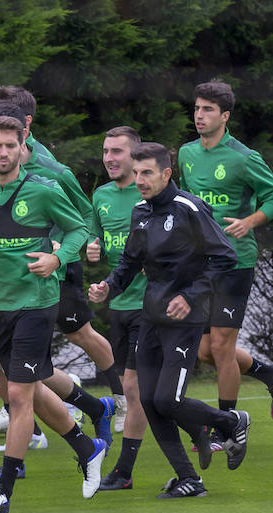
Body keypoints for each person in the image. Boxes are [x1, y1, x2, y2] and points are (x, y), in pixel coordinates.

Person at [0, 115, 108, 513]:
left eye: (10, 146)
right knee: (30, 389)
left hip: (37, 303)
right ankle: (89, 448)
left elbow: (77, 231)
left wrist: (57, 258)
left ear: (22, 147)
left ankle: (2, 492)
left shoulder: (44, 189)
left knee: (18, 394)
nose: (2, 152)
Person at [88, 142, 252, 499]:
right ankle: (189, 479)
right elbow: (129, 263)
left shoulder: (189, 209)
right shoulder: (140, 212)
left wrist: (190, 296)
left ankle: (231, 421)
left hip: (186, 320)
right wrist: (108, 287)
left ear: (166, 173)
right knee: (149, 401)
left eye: (147, 173)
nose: (140, 180)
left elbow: (225, 257)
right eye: (136, 173)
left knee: (169, 400)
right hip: (151, 318)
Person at [0, 97, 122, 440]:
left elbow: (82, 217)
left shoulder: (52, 170)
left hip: (50, 273)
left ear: (23, 128)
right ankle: (28, 423)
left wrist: (57, 250)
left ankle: (118, 397)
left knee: (77, 336)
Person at [176, 81, 273, 433]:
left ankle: (227, 427)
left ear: (225, 116)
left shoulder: (243, 157)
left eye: (208, 109)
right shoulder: (186, 154)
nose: (199, 115)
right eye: (197, 108)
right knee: (203, 349)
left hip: (235, 261)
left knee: (223, 346)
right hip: (199, 263)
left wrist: (249, 222)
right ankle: (268, 372)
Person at [88, 126, 150, 490]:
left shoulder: (152, 198)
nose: (110, 158)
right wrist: (93, 249)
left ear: (136, 157)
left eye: (118, 152)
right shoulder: (101, 195)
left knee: (135, 389)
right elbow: (97, 238)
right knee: (147, 393)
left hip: (153, 306)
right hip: (120, 305)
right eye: (106, 151)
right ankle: (222, 424)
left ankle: (123, 471)